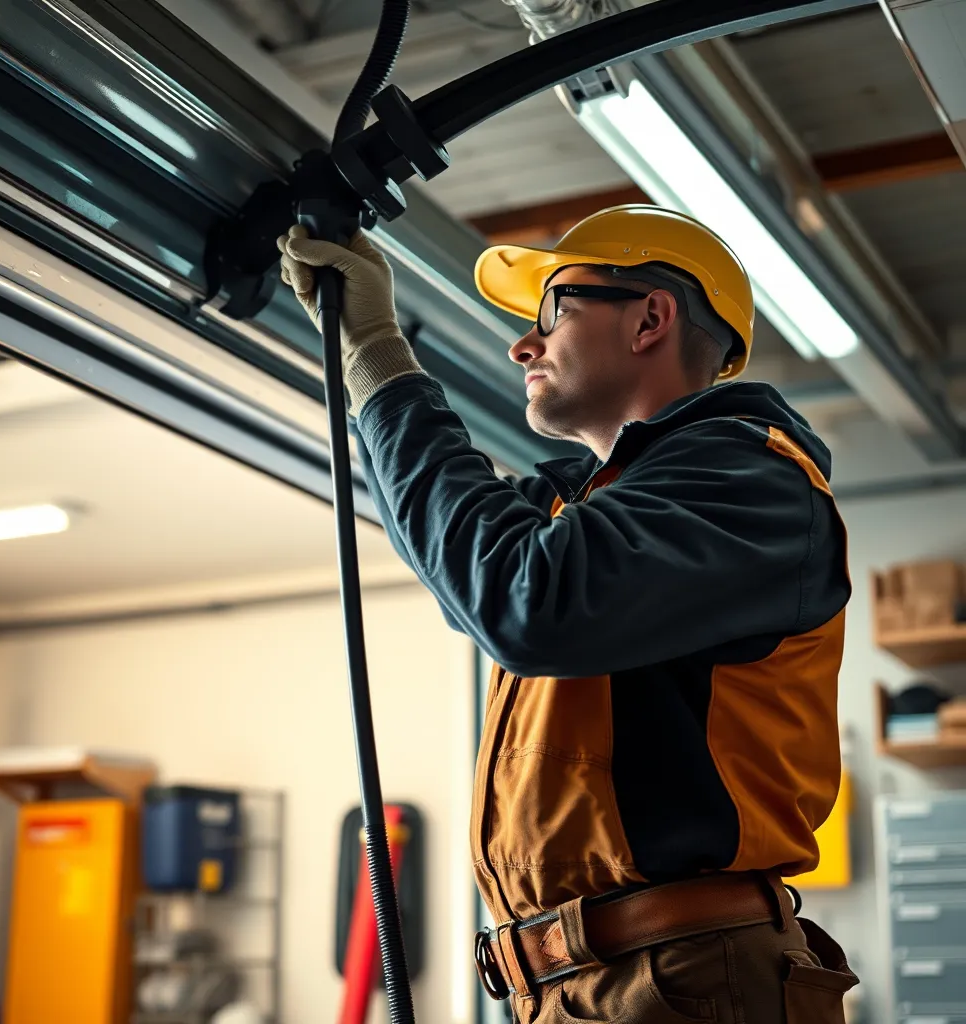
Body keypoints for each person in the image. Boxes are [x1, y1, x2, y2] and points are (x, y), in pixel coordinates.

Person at [279, 205, 859, 1023]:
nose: (523, 346)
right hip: (586, 985)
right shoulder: (582, 509)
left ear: (650, 319)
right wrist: (358, 354)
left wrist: (380, 348)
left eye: (553, 312)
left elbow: (520, 598)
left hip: (684, 978)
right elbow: (459, 553)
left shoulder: (749, 481)